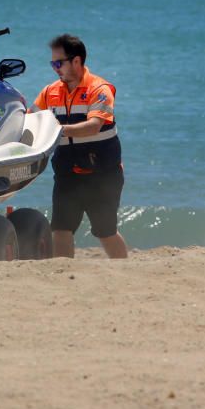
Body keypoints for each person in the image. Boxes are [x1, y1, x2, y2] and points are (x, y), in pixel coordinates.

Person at [33, 34, 127, 259]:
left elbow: (94, 126)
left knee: (105, 231)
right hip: (67, 172)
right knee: (61, 230)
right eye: (52, 63)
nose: (55, 68)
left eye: (59, 63)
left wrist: (58, 130)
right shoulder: (50, 91)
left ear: (76, 61)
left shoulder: (100, 89)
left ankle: (123, 269)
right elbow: (33, 119)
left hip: (102, 173)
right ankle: (65, 275)